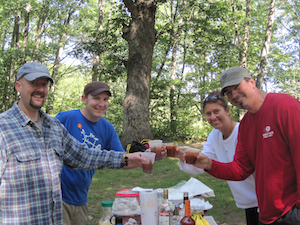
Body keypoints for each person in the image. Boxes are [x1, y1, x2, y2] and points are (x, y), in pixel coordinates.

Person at [0, 62, 145, 224]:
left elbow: (83, 156)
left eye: (44, 84)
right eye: (33, 83)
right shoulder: (3, 128)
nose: (40, 89)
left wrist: (131, 158)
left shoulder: (54, 127)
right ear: (18, 86)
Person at [190, 67, 300, 225]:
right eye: (228, 92)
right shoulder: (246, 125)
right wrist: (209, 165)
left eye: (236, 86)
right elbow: (240, 169)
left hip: (291, 212)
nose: (234, 95)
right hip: (266, 214)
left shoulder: (285, 106)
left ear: (252, 82)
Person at [174, 91, 258, 225]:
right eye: (208, 113)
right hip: (247, 203)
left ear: (227, 110)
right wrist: (180, 155)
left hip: (263, 200)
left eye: (216, 111)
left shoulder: (243, 131)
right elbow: (203, 165)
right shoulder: (214, 135)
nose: (213, 117)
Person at [55, 81, 124, 225]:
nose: (101, 104)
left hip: (81, 199)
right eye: (96, 98)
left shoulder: (107, 129)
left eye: (105, 99)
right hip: (57, 198)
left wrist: (143, 157)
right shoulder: (65, 119)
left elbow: (122, 160)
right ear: (84, 99)